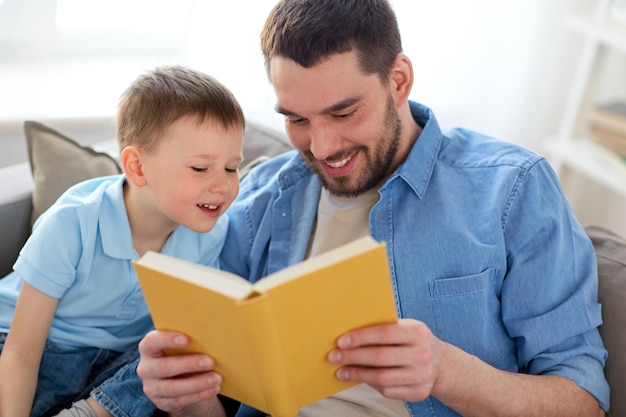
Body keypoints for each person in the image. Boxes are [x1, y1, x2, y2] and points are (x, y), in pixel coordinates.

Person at [67, 0, 611, 416]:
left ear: (397, 80)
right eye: (296, 119)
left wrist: (446, 370)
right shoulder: (259, 200)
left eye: (343, 112)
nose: (322, 147)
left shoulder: (511, 191)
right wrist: (186, 398)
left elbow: (581, 399)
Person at [0, 65, 245, 417]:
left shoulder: (211, 235)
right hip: (33, 352)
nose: (223, 186)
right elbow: (21, 352)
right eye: (201, 168)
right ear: (138, 167)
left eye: (232, 167)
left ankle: (90, 411)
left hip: (115, 369)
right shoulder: (73, 222)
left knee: (174, 356)